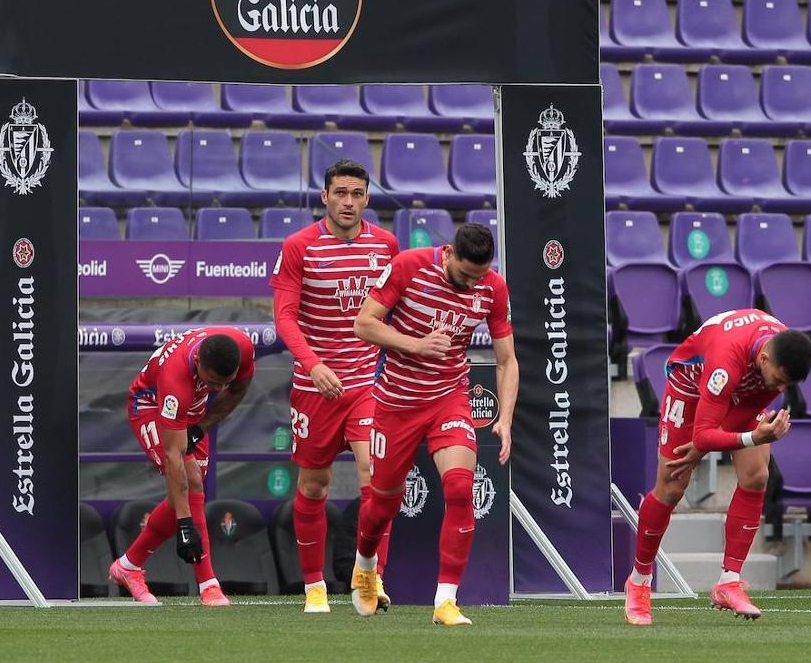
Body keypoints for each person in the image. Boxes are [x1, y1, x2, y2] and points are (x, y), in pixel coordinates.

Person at [349, 223, 517, 626]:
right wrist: (416, 345)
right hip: (396, 403)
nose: (472, 283)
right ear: (449, 254)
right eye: (465, 275)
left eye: (480, 276)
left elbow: (506, 360)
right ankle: (365, 567)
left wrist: (505, 420)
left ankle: (445, 601)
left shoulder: (493, 288)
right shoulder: (408, 266)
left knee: (461, 487)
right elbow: (364, 324)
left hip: (449, 398)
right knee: (384, 502)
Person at [624, 308, 811, 626]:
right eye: (780, 381)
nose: (781, 390)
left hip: (742, 391)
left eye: (787, 385)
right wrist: (749, 437)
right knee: (672, 487)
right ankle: (639, 582)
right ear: (765, 359)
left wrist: (742, 438)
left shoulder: (778, 355)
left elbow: (750, 406)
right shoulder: (728, 359)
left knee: (757, 475)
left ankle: (728, 581)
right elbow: (702, 435)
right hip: (692, 386)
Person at [270, 159, 399, 614]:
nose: (349, 202)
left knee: (375, 479)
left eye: (357, 194)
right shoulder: (299, 246)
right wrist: (313, 364)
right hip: (314, 387)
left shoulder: (386, 245)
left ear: (367, 198)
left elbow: (392, 311)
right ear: (324, 196)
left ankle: (367, 576)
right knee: (313, 486)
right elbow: (284, 315)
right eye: (340, 193)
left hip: (367, 384)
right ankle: (314, 587)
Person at [109, 327, 257, 606]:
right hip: (151, 407)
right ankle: (208, 585)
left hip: (194, 414)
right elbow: (173, 455)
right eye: (212, 382)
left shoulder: (243, 347)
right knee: (191, 484)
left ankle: (128, 566)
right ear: (198, 360)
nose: (218, 390)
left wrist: (202, 427)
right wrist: (184, 524)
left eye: (222, 383)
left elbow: (238, 389)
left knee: (189, 492)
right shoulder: (175, 382)